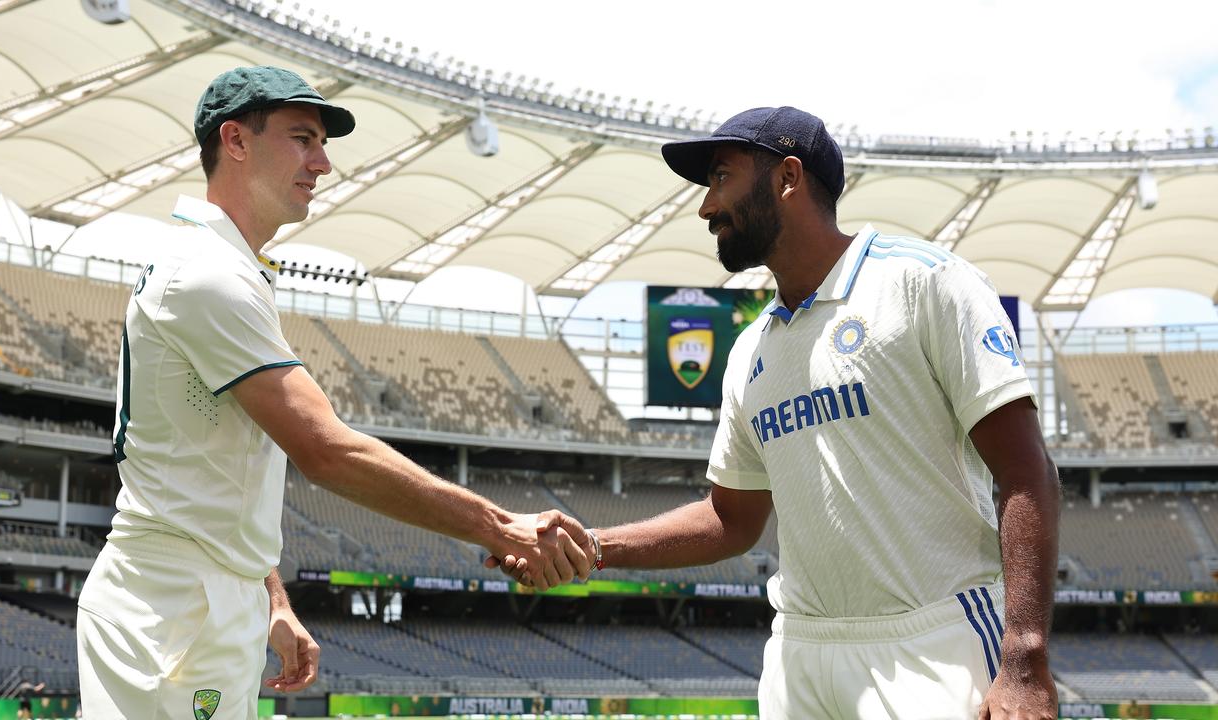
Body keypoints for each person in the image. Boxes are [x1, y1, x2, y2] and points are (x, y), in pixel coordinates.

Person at [492, 107, 1060, 719]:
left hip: (931, 640)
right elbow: (731, 519)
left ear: (788, 177)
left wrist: (1024, 659)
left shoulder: (925, 284)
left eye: (721, 178)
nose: (706, 207)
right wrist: (593, 546)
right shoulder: (750, 348)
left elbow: (1027, 472)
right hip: (799, 655)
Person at [76, 66, 591, 720]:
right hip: (174, 609)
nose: (322, 163)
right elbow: (324, 450)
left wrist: (274, 601)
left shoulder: (224, 269)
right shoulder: (209, 276)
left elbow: (223, 471)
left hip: (200, 600)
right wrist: (502, 526)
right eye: (302, 139)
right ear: (235, 140)